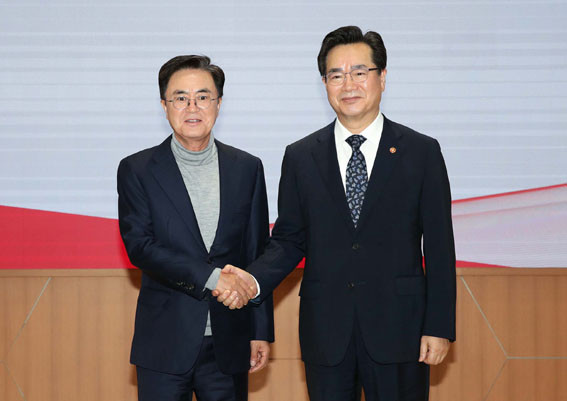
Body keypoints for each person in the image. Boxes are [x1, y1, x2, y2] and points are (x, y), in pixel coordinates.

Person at [216, 26, 456, 401]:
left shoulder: (421, 152)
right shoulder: (301, 156)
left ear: (382, 77)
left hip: (400, 330)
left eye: (360, 72)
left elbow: (440, 247)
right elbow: (289, 240)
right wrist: (252, 279)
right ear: (325, 83)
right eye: (336, 75)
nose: (349, 84)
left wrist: (439, 326)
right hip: (326, 332)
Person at [117, 55, 273, 401]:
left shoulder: (247, 168)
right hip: (164, 342)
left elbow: (256, 251)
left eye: (203, 96)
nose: (192, 107)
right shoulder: (137, 169)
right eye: (180, 98)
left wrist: (260, 330)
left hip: (229, 341)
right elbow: (141, 246)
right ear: (164, 105)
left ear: (218, 103)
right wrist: (213, 279)